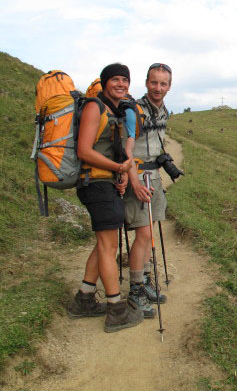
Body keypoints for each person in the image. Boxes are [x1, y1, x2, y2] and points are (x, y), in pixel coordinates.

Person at [67, 63, 144, 333]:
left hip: (104, 183)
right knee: (109, 248)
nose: (121, 84)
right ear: (104, 82)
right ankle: (116, 311)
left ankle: (84, 299)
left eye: (125, 80)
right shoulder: (94, 107)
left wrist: (119, 173)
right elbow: (84, 151)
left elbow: (112, 151)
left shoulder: (114, 110)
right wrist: (119, 169)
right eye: (115, 79)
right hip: (95, 184)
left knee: (104, 244)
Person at [124, 63, 173, 316]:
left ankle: (143, 282)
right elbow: (127, 150)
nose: (158, 88)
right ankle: (135, 290)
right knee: (142, 235)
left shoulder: (164, 111)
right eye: (154, 82)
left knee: (148, 234)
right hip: (138, 177)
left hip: (154, 177)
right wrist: (133, 181)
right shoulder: (135, 110)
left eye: (163, 83)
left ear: (169, 86)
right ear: (146, 83)